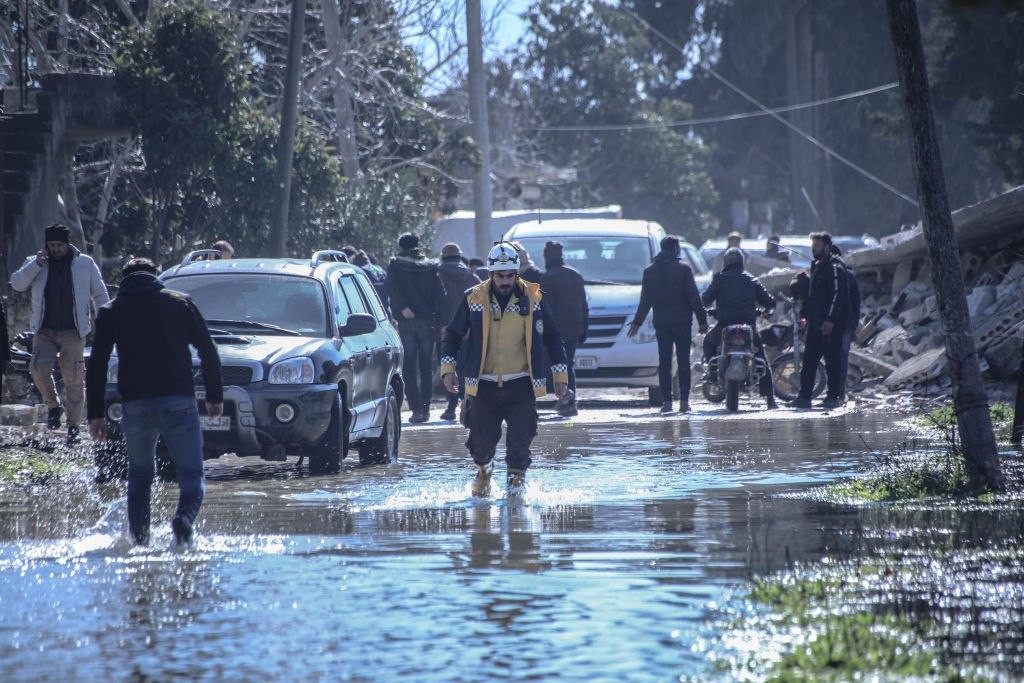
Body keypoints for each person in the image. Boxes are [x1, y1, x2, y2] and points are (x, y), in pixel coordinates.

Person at [86, 258, 224, 547]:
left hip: (135, 406)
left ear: (123, 280)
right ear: (155, 275)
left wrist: (95, 414)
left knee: (139, 474)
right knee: (192, 472)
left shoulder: (111, 311)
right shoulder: (180, 302)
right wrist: (214, 396)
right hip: (179, 401)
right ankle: (184, 519)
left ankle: (139, 541)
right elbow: (208, 351)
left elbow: (97, 364)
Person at [440, 242, 569, 495]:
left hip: (522, 384)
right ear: (490, 274)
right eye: (500, 276)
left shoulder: (534, 298)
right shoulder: (473, 297)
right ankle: (484, 472)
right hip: (483, 386)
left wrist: (560, 375)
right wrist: (448, 368)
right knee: (481, 443)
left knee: (520, 443)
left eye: (510, 275)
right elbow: (453, 335)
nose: (505, 281)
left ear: (516, 273)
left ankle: (516, 493)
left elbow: (553, 337)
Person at [10, 223, 110, 444]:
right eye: (52, 245)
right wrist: (36, 264)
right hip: (44, 329)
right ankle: (53, 406)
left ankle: (73, 426)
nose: (55, 249)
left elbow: (100, 294)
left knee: (74, 379)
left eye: (59, 245)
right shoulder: (35, 262)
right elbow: (17, 284)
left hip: (74, 331)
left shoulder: (85, 264)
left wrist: (107, 320)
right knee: (37, 368)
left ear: (67, 244)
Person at [628, 235, 709, 414]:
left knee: (664, 361)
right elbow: (694, 297)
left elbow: (645, 301)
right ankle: (684, 402)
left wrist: (637, 323)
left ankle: (667, 402)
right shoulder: (684, 270)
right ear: (676, 249)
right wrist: (703, 320)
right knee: (683, 361)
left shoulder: (649, 272)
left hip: (662, 323)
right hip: (682, 323)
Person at [701, 247, 778, 410]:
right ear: (741, 262)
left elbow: (706, 299)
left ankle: (713, 375)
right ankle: (770, 399)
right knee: (761, 359)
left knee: (708, 342)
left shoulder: (719, 279)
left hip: (724, 326)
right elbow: (770, 302)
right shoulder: (751, 279)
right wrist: (765, 312)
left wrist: (708, 309)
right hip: (748, 326)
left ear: (726, 262)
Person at [387, 232, 444, 423]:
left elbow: (391, 288)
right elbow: (440, 294)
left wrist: (402, 308)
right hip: (427, 321)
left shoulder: (396, 265)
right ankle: (426, 409)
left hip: (407, 322)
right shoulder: (431, 266)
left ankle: (416, 410)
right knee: (426, 367)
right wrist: (439, 319)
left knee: (409, 366)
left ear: (401, 246)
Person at [791, 232, 849, 410]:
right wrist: (805, 316)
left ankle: (833, 397)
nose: (814, 249)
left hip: (831, 325)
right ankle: (804, 397)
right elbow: (811, 297)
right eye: (812, 246)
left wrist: (830, 320)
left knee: (832, 362)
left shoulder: (834, 267)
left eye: (817, 246)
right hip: (815, 324)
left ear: (826, 247)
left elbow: (837, 296)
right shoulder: (816, 267)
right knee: (809, 361)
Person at [540, 240, 589, 417]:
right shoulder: (576, 274)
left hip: (556, 331)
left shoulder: (547, 278)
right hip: (575, 328)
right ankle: (569, 400)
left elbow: (548, 308)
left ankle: (567, 398)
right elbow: (584, 305)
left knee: (556, 365)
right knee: (568, 364)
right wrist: (585, 329)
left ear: (547, 256)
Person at [436, 242, 480, 421]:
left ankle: (451, 407)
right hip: (471, 331)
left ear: (443, 257)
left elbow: (436, 302)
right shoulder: (473, 277)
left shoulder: (437, 275)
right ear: (459, 256)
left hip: (446, 330)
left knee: (449, 368)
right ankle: (468, 402)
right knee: (467, 368)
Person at [832, 244, 861, 402]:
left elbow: (855, 303)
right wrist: (854, 326)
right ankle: (839, 393)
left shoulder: (841, 276)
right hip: (847, 325)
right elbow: (857, 304)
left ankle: (837, 393)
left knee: (837, 358)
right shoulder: (849, 275)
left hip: (840, 325)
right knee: (841, 358)